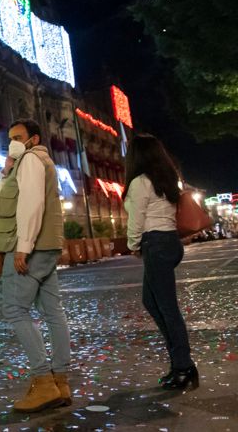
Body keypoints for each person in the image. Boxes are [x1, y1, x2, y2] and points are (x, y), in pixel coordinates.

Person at [0, 119, 71, 413]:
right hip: (47, 245)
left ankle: (44, 382)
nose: (12, 142)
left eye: (18, 137)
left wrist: (23, 246)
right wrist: (6, 171)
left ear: (34, 138)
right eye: (9, 137)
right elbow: (14, 197)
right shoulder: (32, 161)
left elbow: (30, 204)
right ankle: (60, 381)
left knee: (15, 309)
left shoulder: (30, 159)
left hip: (30, 246)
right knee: (53, 311)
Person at [124, 134, 198, 390]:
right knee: (152, 301)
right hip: (169, 243)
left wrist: (133, 244)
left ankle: (183, 366)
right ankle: (180, 361)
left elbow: (136, 218)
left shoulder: (139, 183)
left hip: (155, 244)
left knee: (168, 308)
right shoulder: (164, 180)